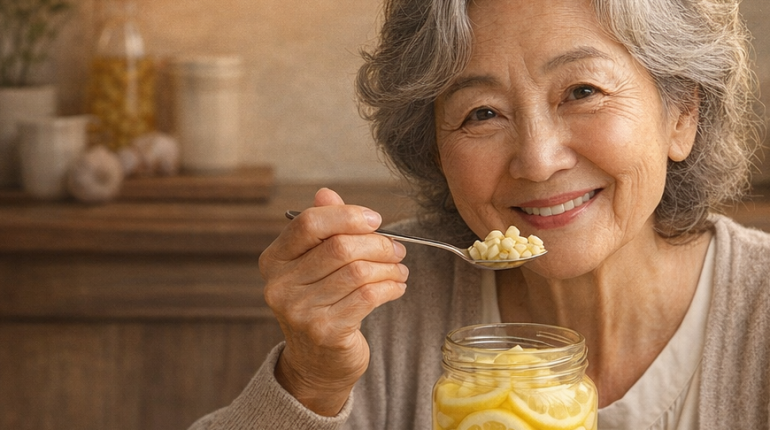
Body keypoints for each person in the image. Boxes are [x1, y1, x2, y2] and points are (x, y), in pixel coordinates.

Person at [189, 0, 770, 428]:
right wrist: (311, 381)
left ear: (681, 115)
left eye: (583, 92)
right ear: (436, 151)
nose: (537, 160)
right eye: (483, 113)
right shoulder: (382, 309)